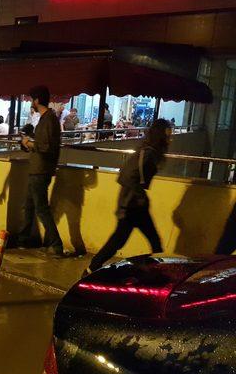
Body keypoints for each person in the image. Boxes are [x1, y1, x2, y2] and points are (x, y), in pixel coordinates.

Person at [84, 119, 172, 275]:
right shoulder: (148, 153)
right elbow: (126, 176)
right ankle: (92, 267)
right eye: (167, 134)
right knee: (127, 240)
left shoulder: (147, 151)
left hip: (134, 203)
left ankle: (93, 267)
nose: (170, 138)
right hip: (132, 204)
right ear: (160, 135)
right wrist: (139, 195)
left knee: (127, 239)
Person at [18, 85, 64, 256]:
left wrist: (29, 143)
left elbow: (45, 146)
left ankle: (56, 245)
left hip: (41, 170)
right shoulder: (46, 119)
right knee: (29, 205)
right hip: (37, 168)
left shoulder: (49, 119)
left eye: (32, 100)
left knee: (41, 208)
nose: (31, 103)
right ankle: (23, 239)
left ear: (37, 100)